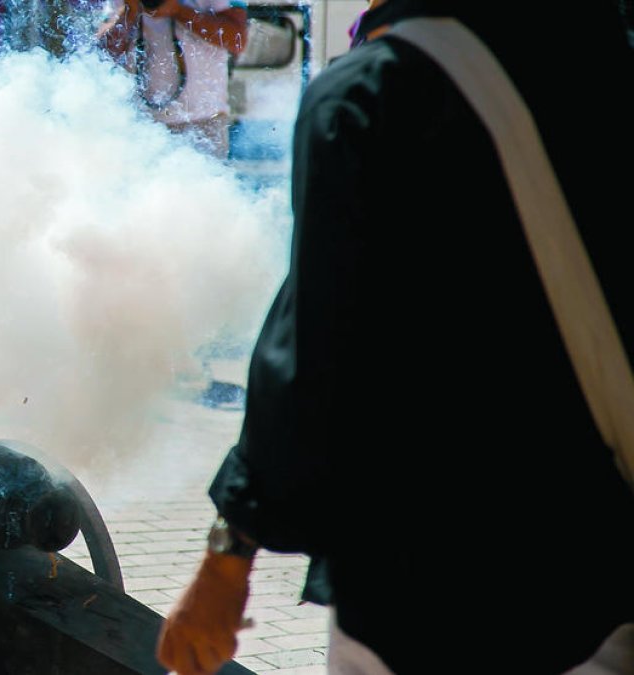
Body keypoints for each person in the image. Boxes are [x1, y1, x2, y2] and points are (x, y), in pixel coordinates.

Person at [157, 0, 634, 673]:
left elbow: (313, 357)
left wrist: (228, 559)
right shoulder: (599, 48)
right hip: (596, 574)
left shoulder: (369, 94)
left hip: (420, 584)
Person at [97, 0, 248, 158]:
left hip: (202, 121)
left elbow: (237, 39)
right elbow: (103, 56)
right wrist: (129, 13)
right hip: (142, 125)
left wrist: (178, 11)